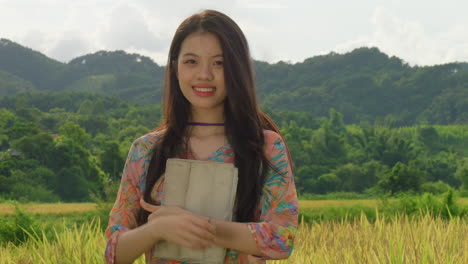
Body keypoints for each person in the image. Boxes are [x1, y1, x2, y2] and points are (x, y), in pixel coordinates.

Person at [104, 9, 299, 264]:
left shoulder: (265, 147)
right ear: (174, 67)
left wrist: (198, 227)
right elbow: (113, 253)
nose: (204, 74)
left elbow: (282, 239)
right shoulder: (146, 150)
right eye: (191, 61)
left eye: (219, 63)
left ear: (237, 69)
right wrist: (157, 229)